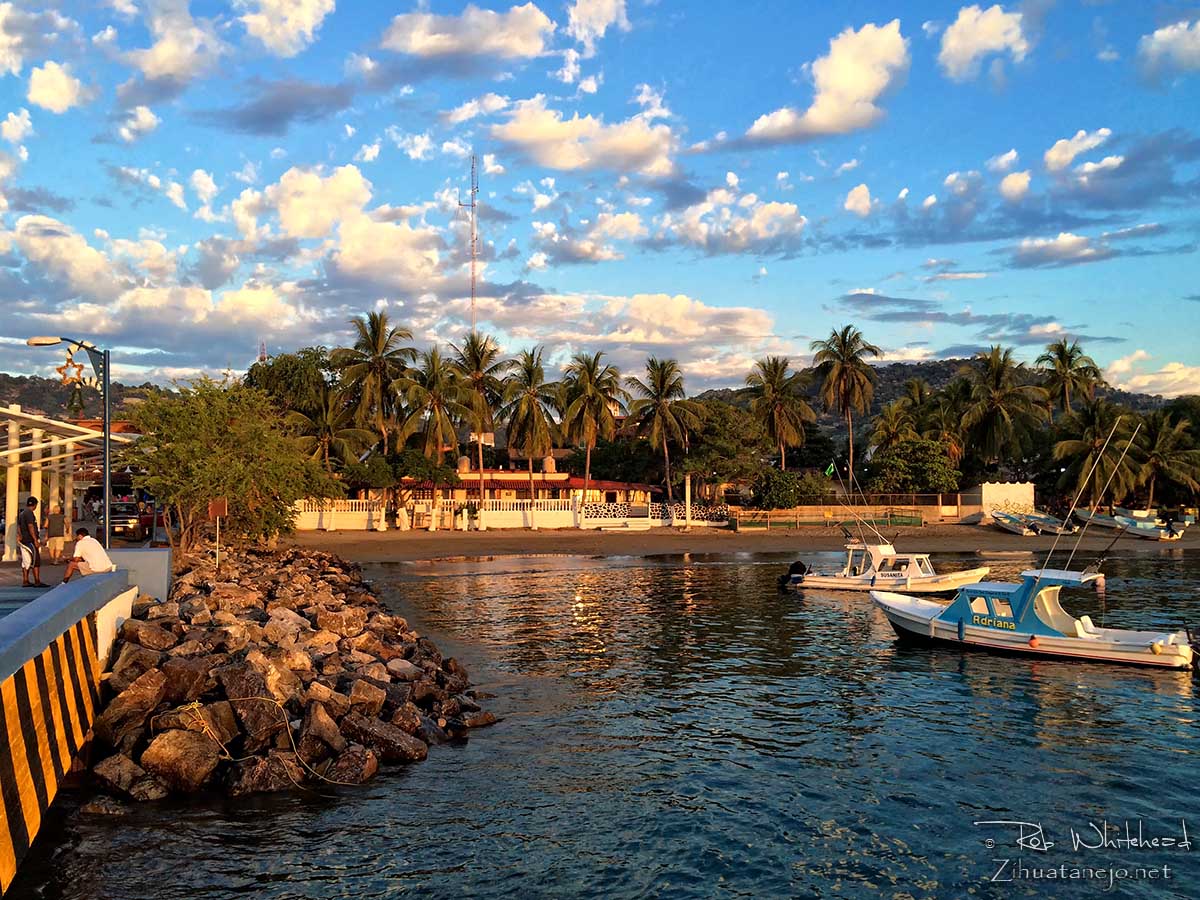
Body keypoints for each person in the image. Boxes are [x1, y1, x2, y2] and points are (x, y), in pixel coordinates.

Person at [17, 496, 48, 588]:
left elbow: (18, 526)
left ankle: (25, 580)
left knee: (26, 560)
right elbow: (30, 526)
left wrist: (20, 535)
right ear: (35, 505)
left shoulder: (22, 513)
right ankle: (37, 581)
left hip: (24, 540)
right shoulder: (29, 513)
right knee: (35, 560)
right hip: (30, 540)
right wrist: (35, 540)